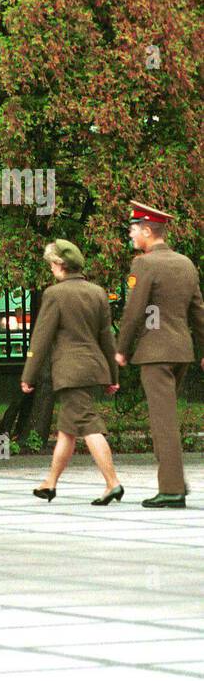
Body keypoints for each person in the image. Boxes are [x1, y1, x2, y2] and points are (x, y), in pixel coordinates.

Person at [114, 202, 204, 508]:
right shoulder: (186, 264)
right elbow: (198, 312)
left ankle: (171, 489)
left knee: (162, 422)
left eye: (133, 228)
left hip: (156, 354)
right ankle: (174, 482)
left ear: (148, 231)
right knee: (168, 419)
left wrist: (121, 349)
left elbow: (134, 312)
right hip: (182, 353)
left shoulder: (145, 264)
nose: (130, 234)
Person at [21, 239, 122, 504]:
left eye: (51, 264)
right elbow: (107, 337)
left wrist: (28, 375)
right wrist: (113, 375)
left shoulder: (55, 294)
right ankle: (50, 483)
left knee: (88, 425)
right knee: (67, 429)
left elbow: (41, 339)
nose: (50, 269)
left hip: (70, 371)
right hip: (93, 367)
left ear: (59, 264)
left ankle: (113, 483)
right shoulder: (97, 292)